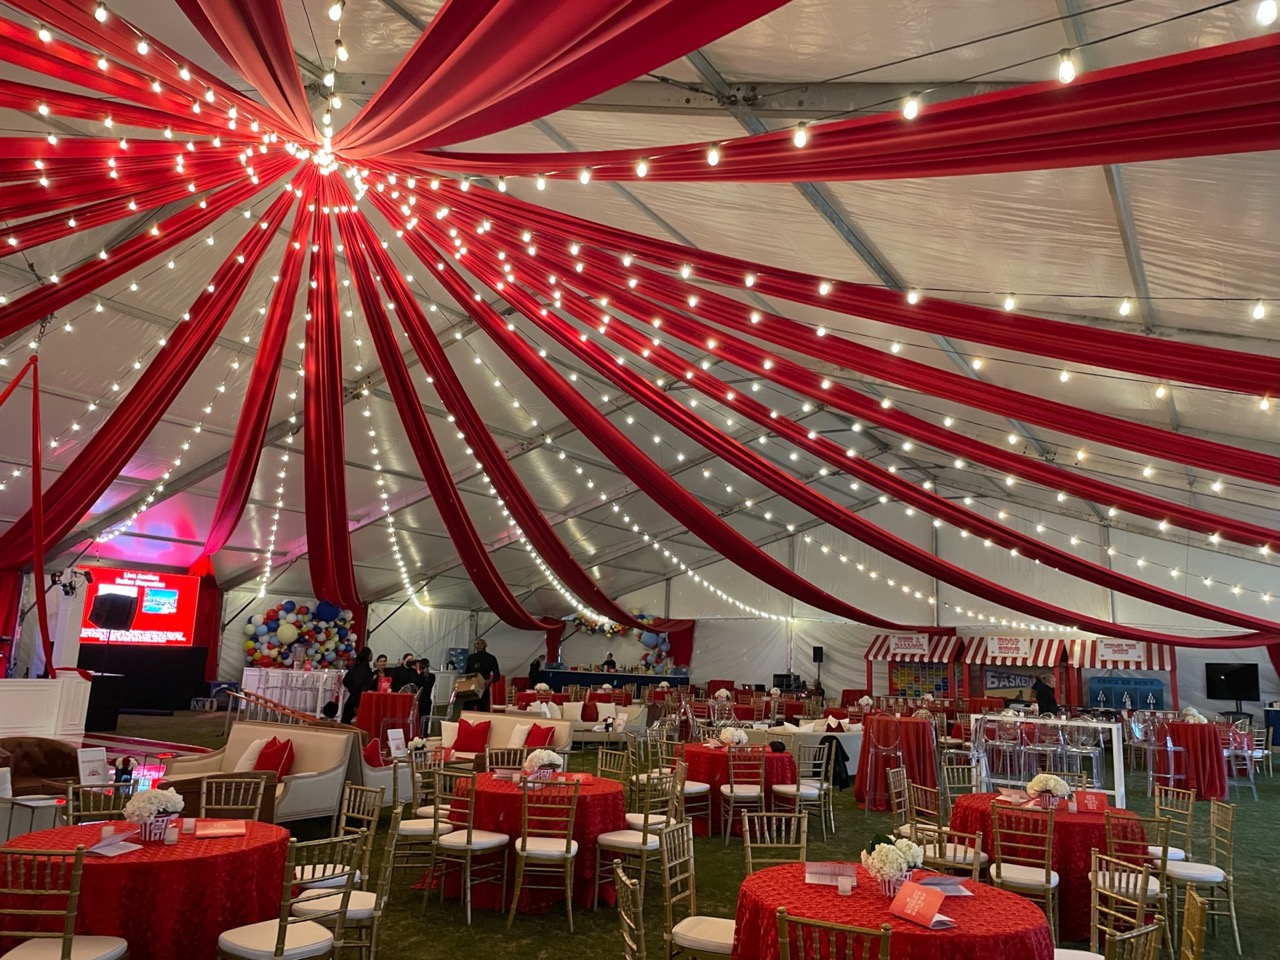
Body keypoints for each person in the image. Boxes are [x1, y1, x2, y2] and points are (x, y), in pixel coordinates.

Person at [465, 638, 501, 711]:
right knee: (467, 710)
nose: (480, 645)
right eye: (478, 644)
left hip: (483, 688)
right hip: (471, 689)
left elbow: (497, 676)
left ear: (485, 645)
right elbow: (467, 673)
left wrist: (489, 681)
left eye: (482, 643)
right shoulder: (471, 658)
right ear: (475, 646)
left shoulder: (491, 658)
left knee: (482, 710)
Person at [341, 648, 375, 724]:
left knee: (345, 719)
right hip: (362, 698)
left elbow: (345, 681)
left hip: (352, 697)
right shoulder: (367, 670)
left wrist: (352, 689)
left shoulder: (354, 668)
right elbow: (367, 685)